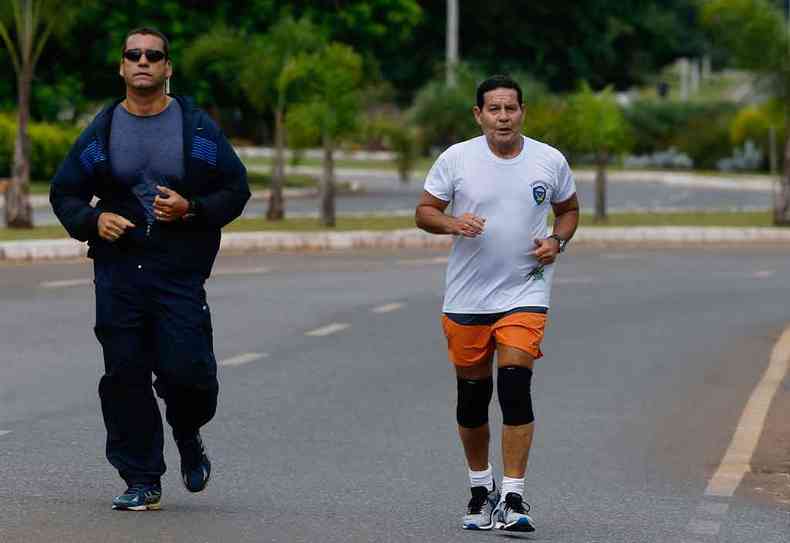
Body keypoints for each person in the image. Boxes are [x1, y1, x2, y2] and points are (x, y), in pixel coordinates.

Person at [50, 27, 250, 511]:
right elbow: (65, 193)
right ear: (122, 67)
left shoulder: (197, 130)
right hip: (120, 273)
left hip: (178, 271)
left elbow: (235, 189)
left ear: (167, 68)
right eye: (133, 54)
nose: (142, 61)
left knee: (190, 374)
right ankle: (141, 477)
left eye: (153, 55)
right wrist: (94, 220)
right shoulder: (102, 132)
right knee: (124, 374)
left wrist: (192, 209)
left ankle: (187, 430)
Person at [415, 74, 580, 532]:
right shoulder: (457, 159)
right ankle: (478, 489)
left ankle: (513, 496)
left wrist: (557, 242)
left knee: (513, 386)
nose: (503, 117)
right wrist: (451, 223)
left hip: (525, 291)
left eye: (511, 109)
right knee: (472, 398)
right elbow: (423, 212)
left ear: (522, 111)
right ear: (479, 115)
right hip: (467, 295)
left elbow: (568, 211)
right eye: (494, 110)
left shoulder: (549, 160)